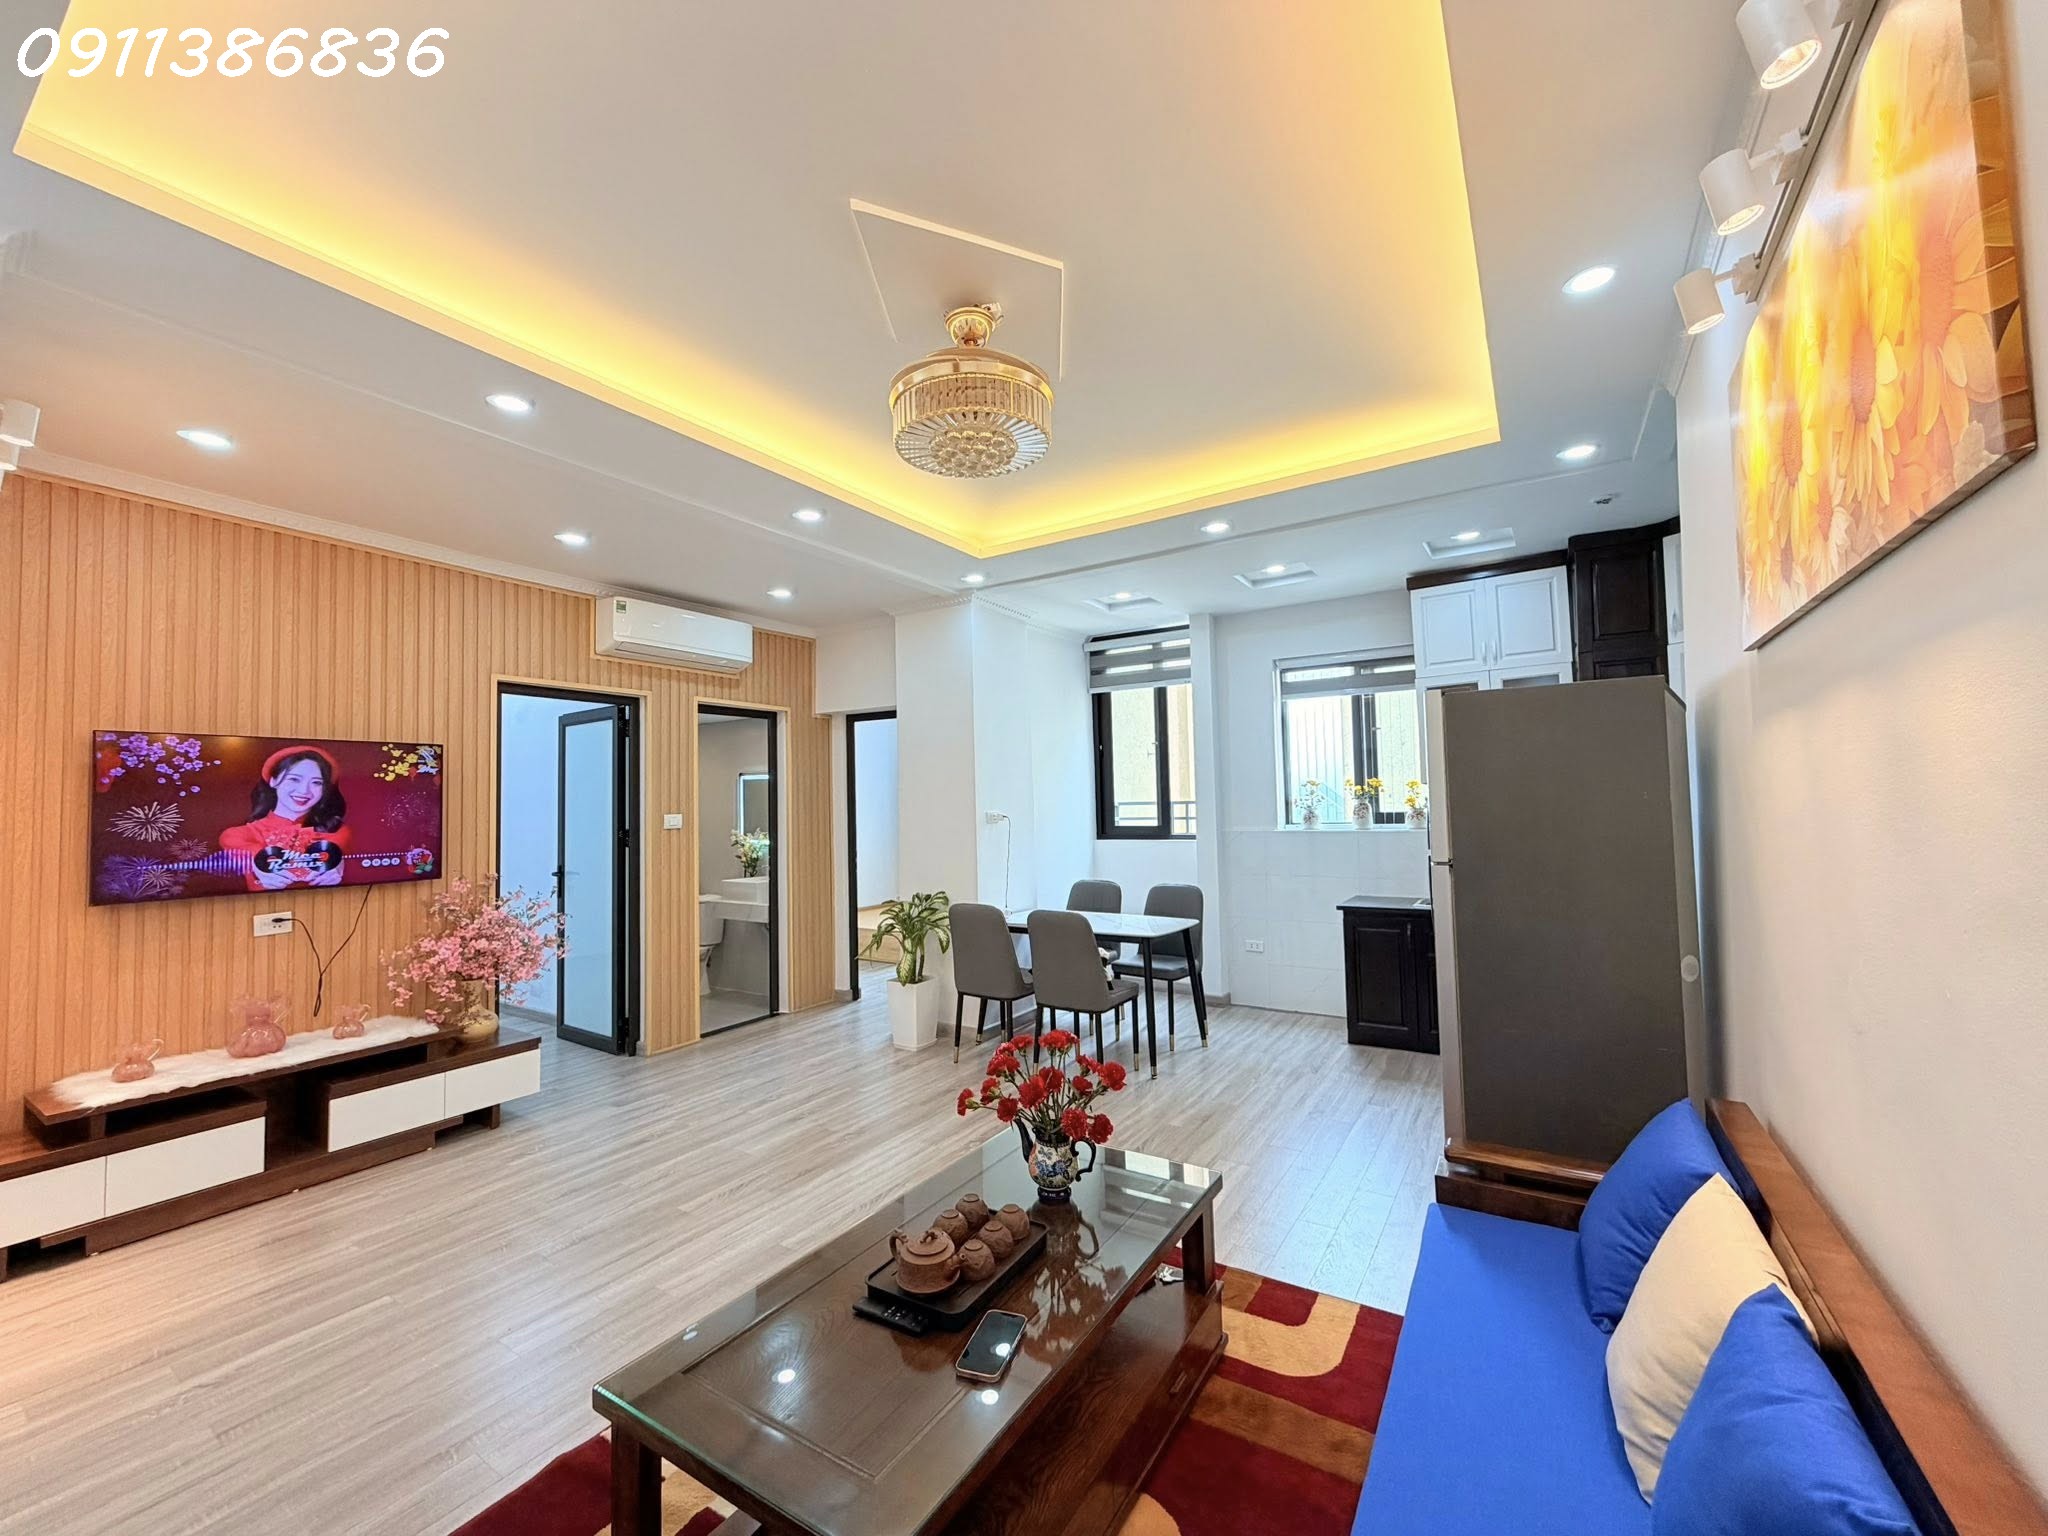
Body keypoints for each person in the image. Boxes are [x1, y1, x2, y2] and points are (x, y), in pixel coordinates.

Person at [219, 746, 351, 891]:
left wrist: (337, 867)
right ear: (273, 781)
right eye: (294, 779)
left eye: (316, 782)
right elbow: (259, 858)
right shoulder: (237, 835)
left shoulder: (336, 832)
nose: (304, 791)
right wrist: (258, 869)